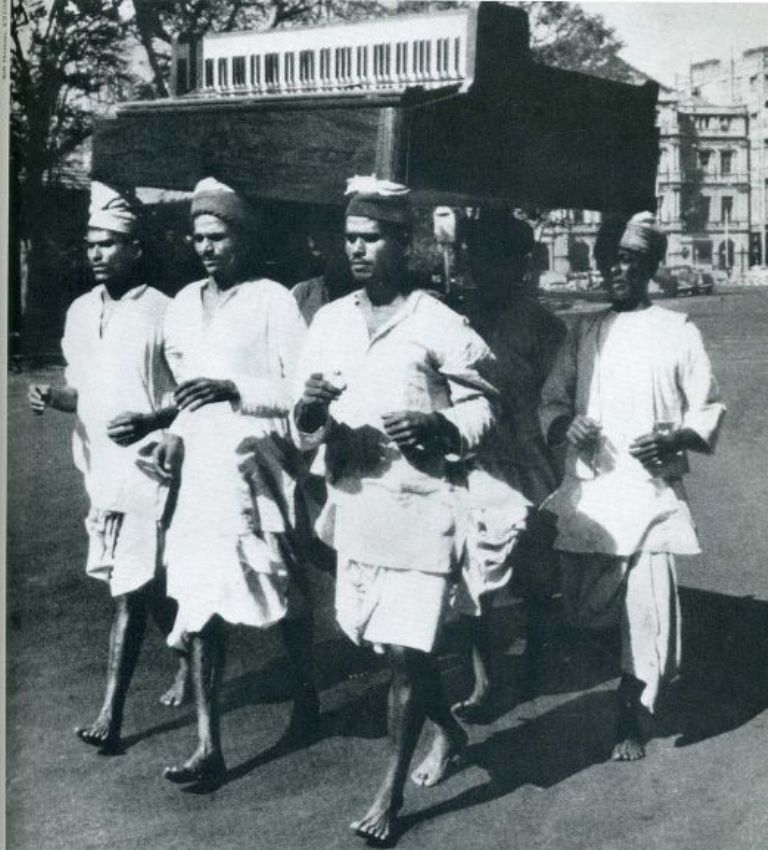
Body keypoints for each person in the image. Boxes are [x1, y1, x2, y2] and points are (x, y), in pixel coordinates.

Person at [293, 175, 513, 845]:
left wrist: (438, 426)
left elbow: (487, 405)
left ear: (405, 243)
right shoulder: (329, 321)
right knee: (392, 649)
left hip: (423, 508)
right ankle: (449, 731)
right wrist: (311, 411)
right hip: (359, 507)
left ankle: (387, 796)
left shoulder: (436, 321)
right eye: (350, 238)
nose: (357, 250)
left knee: (408, 653)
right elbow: (301, 423)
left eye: (372, 239)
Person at [539, 212, 726, 761]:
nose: (615, 270)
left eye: (627, 260)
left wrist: (675, 436)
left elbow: (707, 405)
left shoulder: (677, 329)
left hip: (649, 492)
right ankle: (627, 684)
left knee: (646, 612)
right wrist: (567, 424)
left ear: (649, 266)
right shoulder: (584, 330)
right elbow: (552, 400)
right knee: (583, 609)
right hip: (594, 493)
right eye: (608, 261)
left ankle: (632, 715)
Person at [153, 177, 318, 787]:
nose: (206, 248)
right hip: (201, 472)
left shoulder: (273, 300)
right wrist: (172, 431)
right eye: (198, 238)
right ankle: (208, 745)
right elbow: (183, 393)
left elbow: (299, 391)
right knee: (199, 597)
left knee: (282, 590)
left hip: (258, 467)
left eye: (217, 237)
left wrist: (235, 389)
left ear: (243, 238)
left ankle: (307, 698)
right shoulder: (181, 305)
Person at [28, 181, 188, 753]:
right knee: (148, 583)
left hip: (149, 468)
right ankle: (188, 654)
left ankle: (110, 714)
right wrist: (53, 396)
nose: (96, 254)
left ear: (135, 248)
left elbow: (188, 393)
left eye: (109, 244)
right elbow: (83, 388)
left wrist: (155, 423)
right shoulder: (80, 311)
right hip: (101, 472)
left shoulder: (166, 311)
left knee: (130, 592)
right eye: (91, 245)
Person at [451, 210, 567, 722]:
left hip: (530, 461)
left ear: (518, 264)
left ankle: (536, 665)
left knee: (536, 575)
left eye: (497, 257)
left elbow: (559, 397)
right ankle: (483, 681)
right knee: (473, 574)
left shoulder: (543, 325)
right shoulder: (454, 321)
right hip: (472, 459)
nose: (484, 267)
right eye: (477, 256)